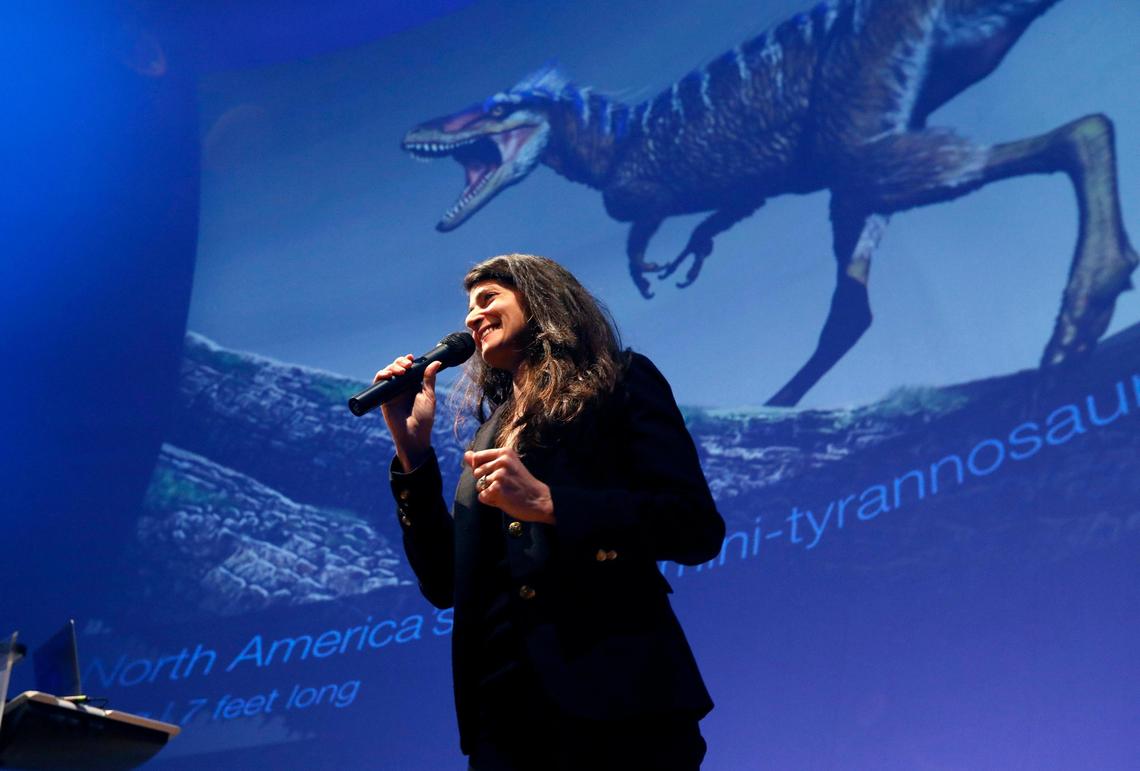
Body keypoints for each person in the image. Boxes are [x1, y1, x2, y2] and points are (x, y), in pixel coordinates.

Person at [373, 253, 725, 770]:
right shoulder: (487, 435)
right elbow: (446, 584)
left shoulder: (620, 381)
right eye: (469, 308)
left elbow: (694, 525)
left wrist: (549, 504)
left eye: (488, 298)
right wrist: (413, 454)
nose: (472, 318)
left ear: (540, 299)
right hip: (504, 715)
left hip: (619, 696)